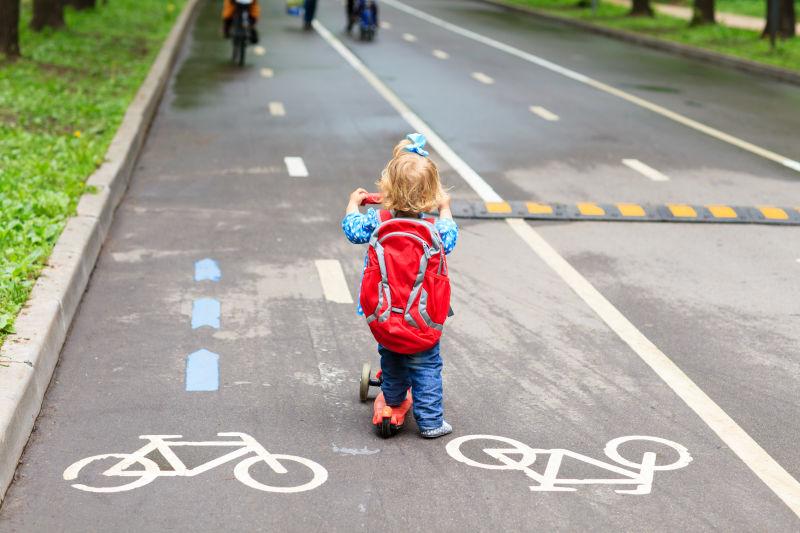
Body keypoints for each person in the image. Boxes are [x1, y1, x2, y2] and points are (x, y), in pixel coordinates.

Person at [342, 134, 458, 439]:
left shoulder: (378, 220)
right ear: (432, 194)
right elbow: (451, 238)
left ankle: (392, 400)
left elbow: (353, 231)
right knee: (427, 365)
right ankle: (431, 422)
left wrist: (353, 204)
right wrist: (445, 209)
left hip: (384, 312)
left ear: (386, 190)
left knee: (391, 355)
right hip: (422, 315)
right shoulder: (434, 229)